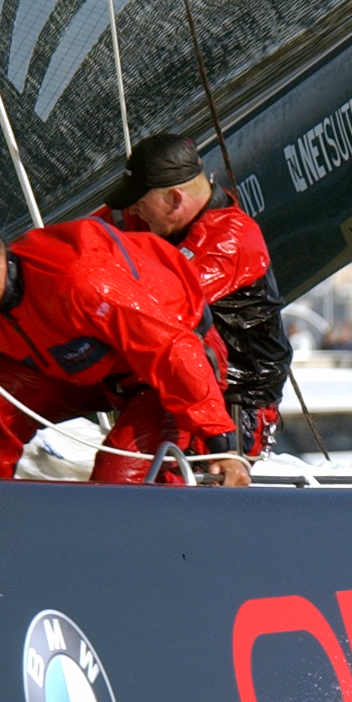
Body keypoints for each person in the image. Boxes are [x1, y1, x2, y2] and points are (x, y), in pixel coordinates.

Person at [0, 208, 248, 486]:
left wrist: (221, 443)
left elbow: (172, 350)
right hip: (94, 378)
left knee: (118, 476)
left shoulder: (80, 282)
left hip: (173, 372)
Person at [104, 133, 291, 458]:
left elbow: (161, 300)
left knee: (130, 465)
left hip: (232, 401)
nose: (134, 209)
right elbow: (87, 236)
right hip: (172, 383)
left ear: (175, 200)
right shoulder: (158, 216)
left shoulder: (230, 240)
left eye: (139, 200)